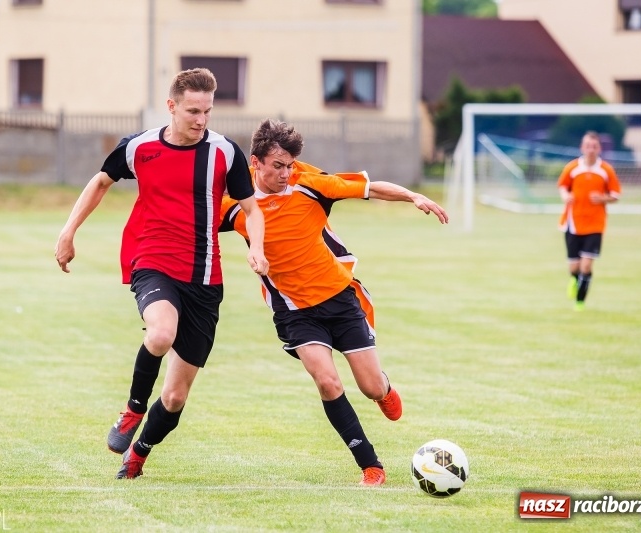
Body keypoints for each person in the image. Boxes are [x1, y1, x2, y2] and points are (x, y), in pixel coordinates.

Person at [54, 68, 268, 480]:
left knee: (174, 396)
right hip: (152, 260)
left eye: (206, 111)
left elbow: (251, 208)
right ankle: (132, 409)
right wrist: (68, 230)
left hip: (205, 277)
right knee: (160, 334)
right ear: (172, 106)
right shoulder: (140, 147)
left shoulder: (225, 152)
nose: (201, 119)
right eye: (192, 110)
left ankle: (139, 454)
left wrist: (256, 249)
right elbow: (101, 182)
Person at [219, 119, 448, 486]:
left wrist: (412, 196)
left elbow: (369, 188)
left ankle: (383, 389)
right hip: (294, 311)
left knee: (370, 387)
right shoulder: (234, 199)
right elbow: (193, 218)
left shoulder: (309, 184)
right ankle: (370, 465)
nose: (285, 173)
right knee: (327, 381)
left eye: (290, 164)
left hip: (340, 299)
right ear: (255, 162)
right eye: (277, 166)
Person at [557, 131, 622, 311]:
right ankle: (573, 280)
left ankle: (580, 301)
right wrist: (565, 196)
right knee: (574, 266)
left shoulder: (606, 170)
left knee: (586, 265)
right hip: (573, 222)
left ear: (599, 148)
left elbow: (616, 195)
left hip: (595, 224)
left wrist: (602, 198)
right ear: (582, 147)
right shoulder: (572, 168)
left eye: (594, 146)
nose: (591, 149)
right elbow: (562, 186)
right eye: (587, 146)